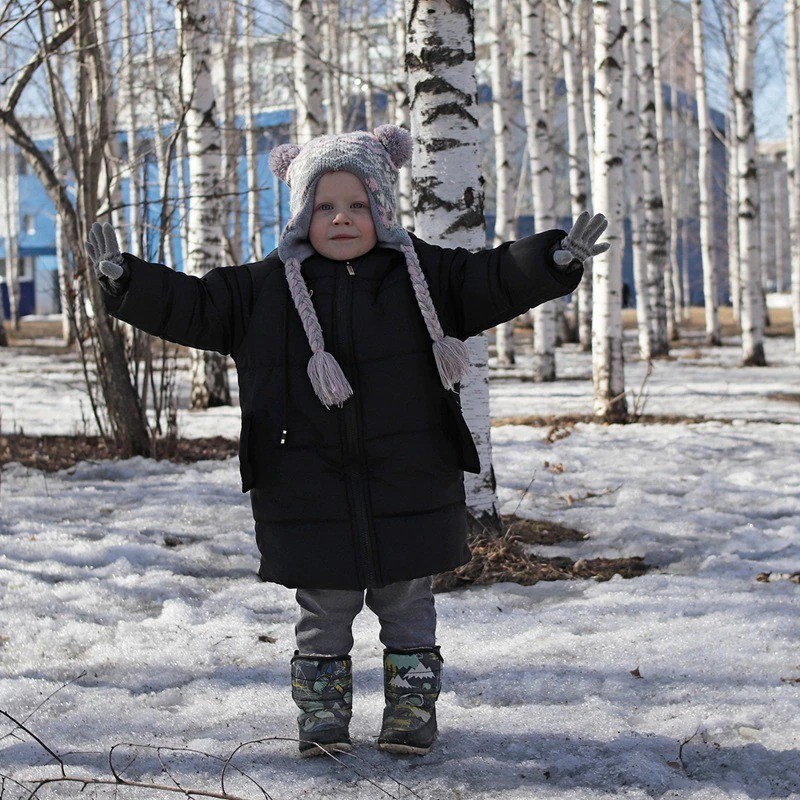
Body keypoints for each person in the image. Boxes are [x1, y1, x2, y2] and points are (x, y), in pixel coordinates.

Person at [85, 125, 608, 758]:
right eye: (324, 205)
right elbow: (192, 304)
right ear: (300, 214)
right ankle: (322, 718)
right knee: (323, 612)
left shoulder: (428, 278)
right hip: (305, 488)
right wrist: (128, 282)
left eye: (358, 204)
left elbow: (493, 278)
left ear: (382, 209)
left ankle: (410, 714)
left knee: (408, 606)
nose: (341, 218)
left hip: (409, 482)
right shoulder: (259, 290)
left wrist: (550, 262)